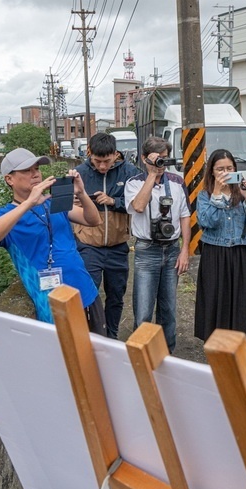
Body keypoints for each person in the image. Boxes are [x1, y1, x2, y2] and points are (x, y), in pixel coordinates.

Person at [0, 148, 104, 330]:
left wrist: (82, 193)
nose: (35, 174)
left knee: (98, 353)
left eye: (36, 169)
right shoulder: (6, 215)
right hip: (52, 305)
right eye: (27, 170)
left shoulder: (52, 203)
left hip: (85, 291)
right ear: (9, 179)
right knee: (65, 357)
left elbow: (92, 220)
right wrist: (29, 203)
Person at [195, 149, 246, 370]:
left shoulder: (242, 194)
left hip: (238, 256)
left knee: (244, 307)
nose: (225, 173)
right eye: (220, 169)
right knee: (214, 305)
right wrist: (218, 194)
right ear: (212, 171)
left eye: (229, 168)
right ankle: (216, 361)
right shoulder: (205, 195)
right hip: (213, 256)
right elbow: (207, 222)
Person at [73, 132, 142, 339]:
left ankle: (111, 336)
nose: (102, 166)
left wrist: (114, 202)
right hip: (88, 244)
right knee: (88, 293)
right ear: (89, 154)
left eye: (107, 161)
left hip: (118, 246)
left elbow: (138, 204)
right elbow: (63, 206)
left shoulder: (130, 172)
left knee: (116, 295)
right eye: (97, 161)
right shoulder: (79, 173)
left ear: (115, 154)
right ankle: (90, 336)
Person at [125, 136, 191, 352]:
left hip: (172, 249)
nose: (161, 164)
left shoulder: (177, 182)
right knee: (143, 310)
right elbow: (139, 206)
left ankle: (166, 355)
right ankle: (141, 356)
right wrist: (152, 175)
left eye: (164, 159)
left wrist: (185, 251)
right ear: (144, 159)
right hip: (146, 250)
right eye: (157, 159)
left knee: (169, 310)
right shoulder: (134, 182)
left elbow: (184, 217)